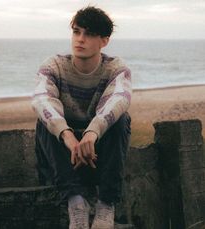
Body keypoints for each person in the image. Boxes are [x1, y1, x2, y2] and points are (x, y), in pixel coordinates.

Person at [32, 6, 132, 229]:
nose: (80, 39)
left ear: (104, 41)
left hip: (98, 155)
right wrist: (67, 136)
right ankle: (76, 203)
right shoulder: (54, 66)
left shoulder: (116, 68)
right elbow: (41, 100)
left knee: (121, 119)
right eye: (76, 32)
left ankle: (106, 204)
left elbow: (119, 100)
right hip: (63, 156)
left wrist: (92, 133)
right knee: (44, 121)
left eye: (89, 34)